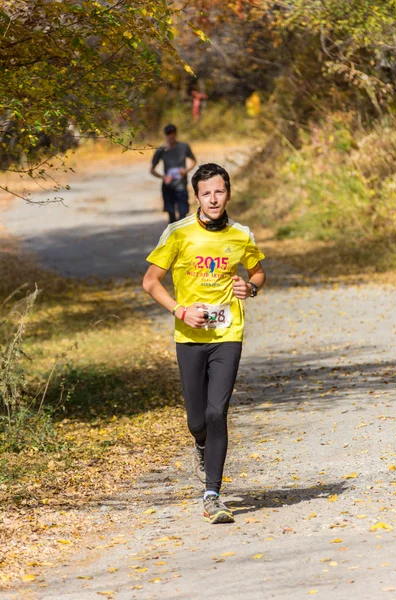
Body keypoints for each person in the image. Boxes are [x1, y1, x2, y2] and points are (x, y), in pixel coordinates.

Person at [143, 163, 266, 524]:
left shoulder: (241, 235)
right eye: (207, 193)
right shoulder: (178, 233)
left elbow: (257, 271)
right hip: (190, 337)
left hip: (228, 333)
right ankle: (200, 444)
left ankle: (212, 494)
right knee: (197, 420)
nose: (214, 199)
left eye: (220, 192)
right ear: (196, 196)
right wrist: (181, 311)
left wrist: (252, 286)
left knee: (217, 412)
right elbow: (150, 282)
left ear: (229, 193)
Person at [150, 123, 197, 224]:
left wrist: (186, 170)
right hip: (168, 186)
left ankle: (182, 237)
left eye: (173, 133)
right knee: (171, 215)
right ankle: (173, 237)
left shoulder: (184, 147)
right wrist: (163, 177)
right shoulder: (161, 150)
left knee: (183, 214)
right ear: (165, 135)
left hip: (181, 184)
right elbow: (152, 170)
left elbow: (194, 161)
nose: (171, 135)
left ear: (176, 134)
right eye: (168, 133)